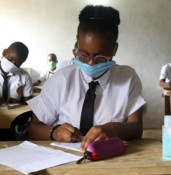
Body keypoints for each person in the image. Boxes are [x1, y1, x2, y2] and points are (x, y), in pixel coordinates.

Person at [27, 5, 146, 151]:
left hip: (108, 158)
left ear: (114, 49)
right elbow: (34, 128)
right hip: (63, 159)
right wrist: (55, 132)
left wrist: (114, 128)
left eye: (101, 58)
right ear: (77, 45)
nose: (91, 63)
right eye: (83, 55)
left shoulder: (128, 78)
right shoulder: (61, 79)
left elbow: (136, 128)